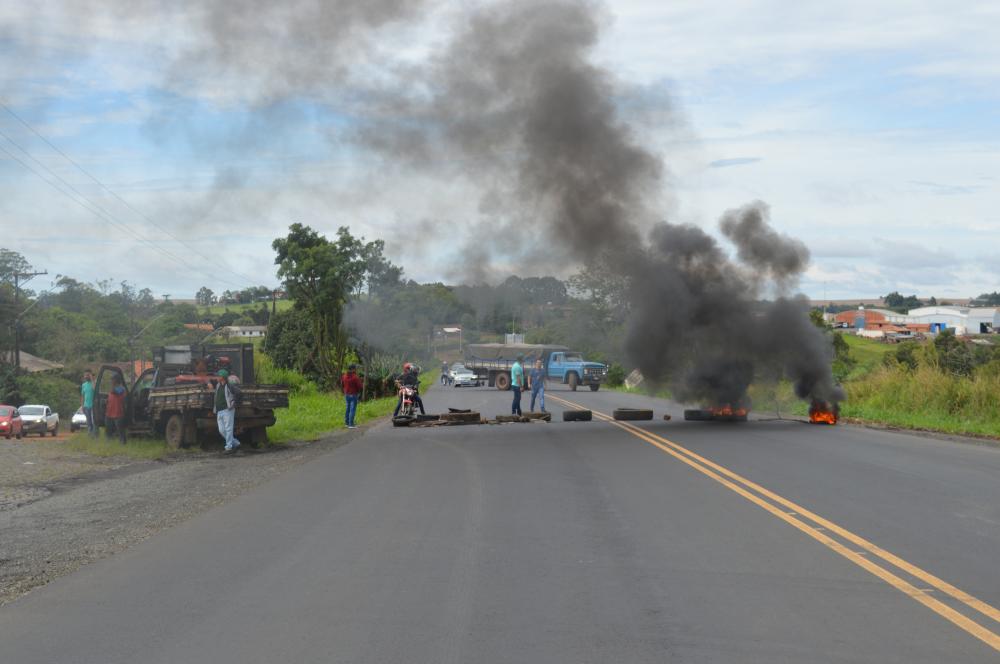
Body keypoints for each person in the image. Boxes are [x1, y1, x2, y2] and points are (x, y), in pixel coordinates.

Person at [214, 369, 241, 453]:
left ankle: (229, 447)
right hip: (219, 411)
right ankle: (236, 443)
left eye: (218, 376)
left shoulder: (229, 386)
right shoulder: (218, 385)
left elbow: (238, 393)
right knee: (221, 430)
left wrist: (233, 403)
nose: (217, 377)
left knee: (228, 429)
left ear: (222, 377)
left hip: (227, 410)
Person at [105, 375, 127, 445]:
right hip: (109, 412)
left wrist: (112, 386)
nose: (111, 381)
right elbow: (110, 397)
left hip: (118, 412)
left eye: (112, 380)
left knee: (120, 429)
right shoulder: (113, 388)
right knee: (108, 428)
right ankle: (109, 442)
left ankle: (123, 442)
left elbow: (114, 392)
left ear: (116, 380)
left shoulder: (121, 388)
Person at [341, 364, 363, 429]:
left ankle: (347, 423)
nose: (356, 369)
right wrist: (358, 391)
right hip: (353, 395)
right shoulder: (355, 377)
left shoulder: (344, 376)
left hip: (346, 394)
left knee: (347, 408)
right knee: (352, 409)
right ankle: (351, 424)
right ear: (353, 369)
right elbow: (360, 386)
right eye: (355, 368)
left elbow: (342, 384)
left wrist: (344, 390)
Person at [80, 371, 97, 438]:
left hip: (93, 406)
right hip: (86, 406)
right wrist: (82, 406)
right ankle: (90, 433)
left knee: (93, 421)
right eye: (85, 375)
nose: (86, 377)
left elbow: (94, 389)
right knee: (88, 421)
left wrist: (92, 379)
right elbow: (82, 396)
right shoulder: (84, 385)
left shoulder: (94, 383)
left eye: (88, 375)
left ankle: (95, 434)